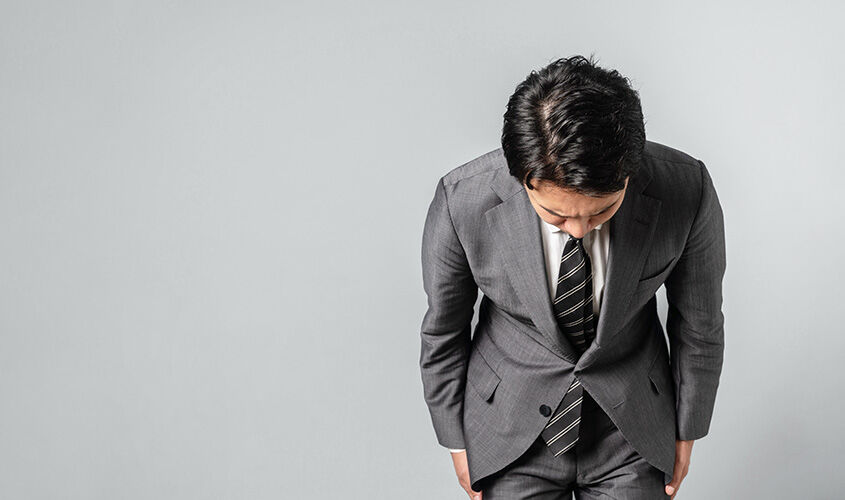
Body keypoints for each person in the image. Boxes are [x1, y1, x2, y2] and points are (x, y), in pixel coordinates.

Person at [419, 55, 726, 499]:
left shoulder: (686, 188)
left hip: (632, 428)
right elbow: (443, 331)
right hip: (508, 431)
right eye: (557, 215)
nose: (580, 230)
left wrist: (688, 431)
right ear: (521, 178)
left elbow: (699, 325)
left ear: (631, 172)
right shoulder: (461, 201)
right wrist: (455, 441)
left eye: (602, 211)